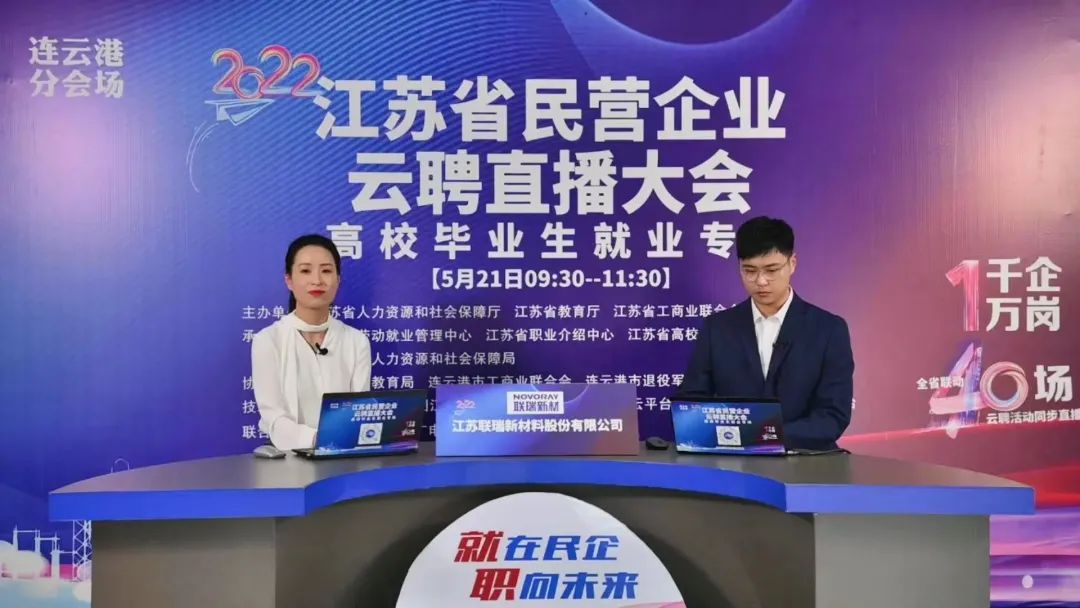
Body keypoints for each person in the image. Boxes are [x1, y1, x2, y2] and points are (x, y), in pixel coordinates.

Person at [676, 216, 854, 450]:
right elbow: (691, 403)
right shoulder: (717, 328)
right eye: (749, 271)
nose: (760, 281)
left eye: (771, 270)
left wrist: (764, 436)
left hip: (805, 459)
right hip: (732, 459)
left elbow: (833, 416)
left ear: (792, 263)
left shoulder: (828, 330)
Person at [251, 234, 372, 450]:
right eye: (306, 271)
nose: (317, 280)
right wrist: (319, 439)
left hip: (345, 455)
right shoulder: (268, 340)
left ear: (338, 280)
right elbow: (273, 418)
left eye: (326, 271)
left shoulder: (356, 341)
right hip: (287, 456)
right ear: (289, 280)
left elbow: (359, 411)